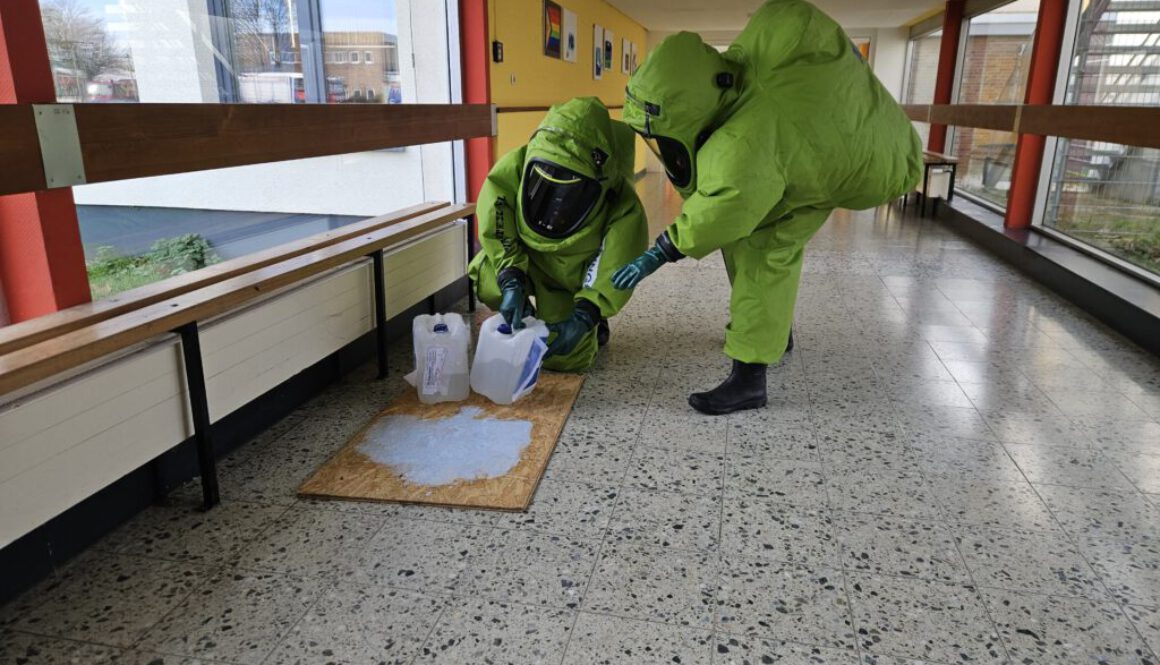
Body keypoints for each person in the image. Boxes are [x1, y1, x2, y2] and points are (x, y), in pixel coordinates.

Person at [612, 0, 922, 414]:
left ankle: (749, 379)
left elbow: (720, 212)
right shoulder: (732, 75)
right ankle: (774, 332)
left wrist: (660, 251)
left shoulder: (746, 143)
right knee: (754, 235)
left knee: (762, 247)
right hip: (829, 147)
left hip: (857, 167)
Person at [468, 96, 648, 372]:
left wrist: (588, 312)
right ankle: (521, 300)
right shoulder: (514, 166)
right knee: (487, 277)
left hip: (571, 277)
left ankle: (593, 322)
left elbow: (616, 260)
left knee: (565, 357)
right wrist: (511, 279)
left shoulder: (621, 203)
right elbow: (497, 220)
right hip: (526, 259)